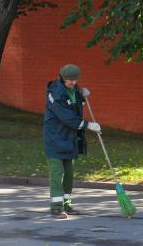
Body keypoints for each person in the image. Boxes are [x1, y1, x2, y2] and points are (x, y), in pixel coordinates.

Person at [43, 64, 101, 219]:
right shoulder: (56, 93)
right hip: (55, 138)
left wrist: (81, 96)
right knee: (57, 173)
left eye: (75, 80)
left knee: (69, 173)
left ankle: (66, 205)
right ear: (62, 78)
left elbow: (76, 108)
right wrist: (88, 125)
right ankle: (56, 207)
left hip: (69, 138)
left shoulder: (73, 89)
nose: (73, 83)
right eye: (70, 80)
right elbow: (67, 117)